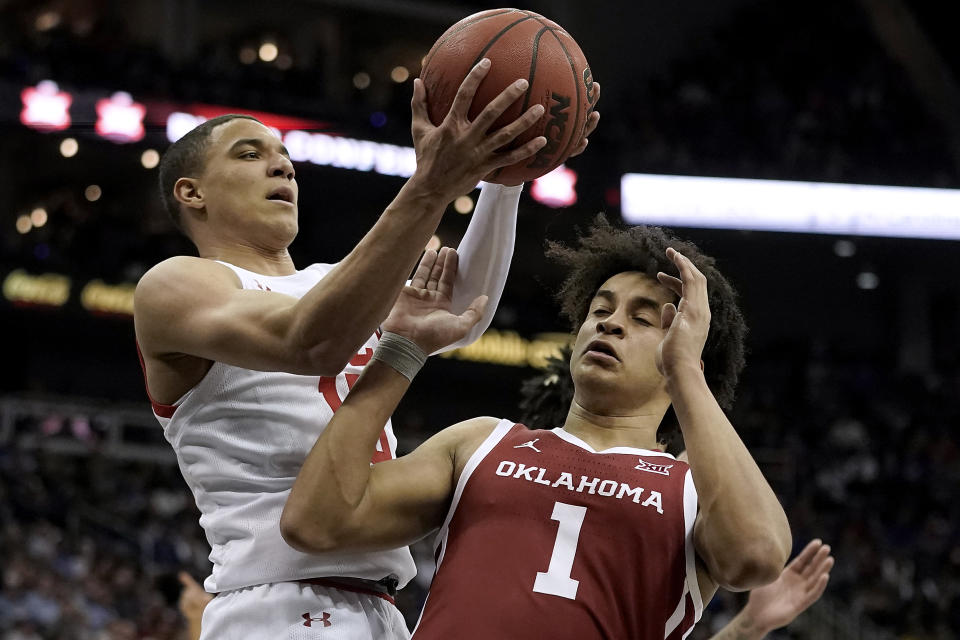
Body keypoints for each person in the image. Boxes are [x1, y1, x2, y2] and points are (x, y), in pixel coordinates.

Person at [134, 56, 600, 640]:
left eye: (284, 155)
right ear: (191, 192)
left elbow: (457, 311)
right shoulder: (177, 285)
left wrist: (505, 181)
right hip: (277, 603)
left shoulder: (330, 283)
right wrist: (430, 184)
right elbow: (311, 341)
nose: (280, 163)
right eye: (249, 154)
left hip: (378, 605)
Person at [281, 218, 792, 638]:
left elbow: (757, 556)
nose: (609, 323)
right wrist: (402, 349)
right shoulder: (482, 441)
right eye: (600, 309)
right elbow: (316, 521)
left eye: (643, 319)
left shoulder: (692, 487)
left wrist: (686, 373)